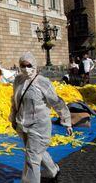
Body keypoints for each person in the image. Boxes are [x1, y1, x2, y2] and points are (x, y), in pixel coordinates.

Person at [9, 52, 72, 183]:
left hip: (39, 125)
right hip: (22, 124)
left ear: (34, 65)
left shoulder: (43, 82)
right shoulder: (18, 80)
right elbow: (14, 102)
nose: (26, 68)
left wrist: (66, 121)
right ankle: (52, 170)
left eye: (29, 65)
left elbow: (57, 102)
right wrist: (13, 118)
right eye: (23, 65)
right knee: (36, 151)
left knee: (32, 157)